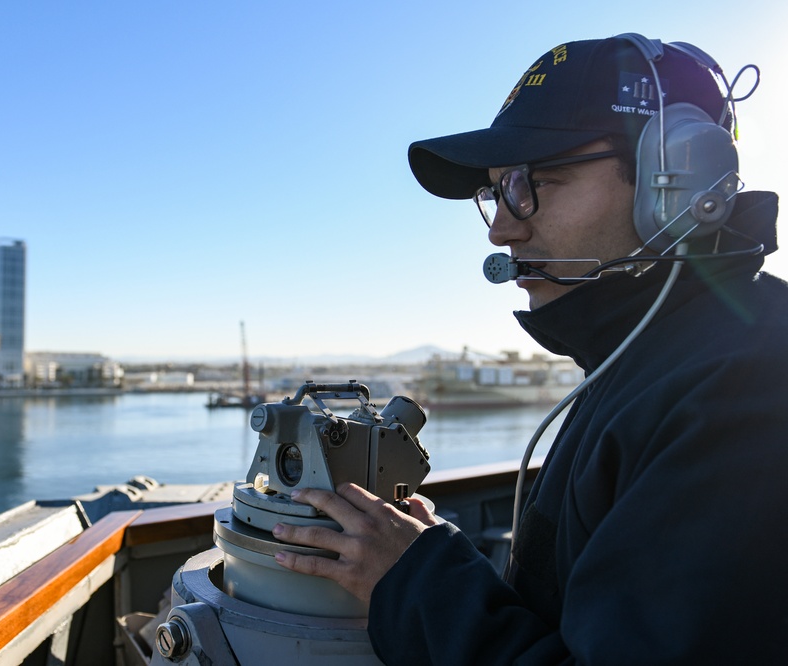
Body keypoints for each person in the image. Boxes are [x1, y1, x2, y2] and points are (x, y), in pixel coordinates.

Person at [272, 34, 788, 664]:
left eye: (536, 180)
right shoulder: (653, 355)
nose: (501, 226)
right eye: (498, 189)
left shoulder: (747, 390)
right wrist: (427, 561)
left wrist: (418, 580)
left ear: (675, 181)